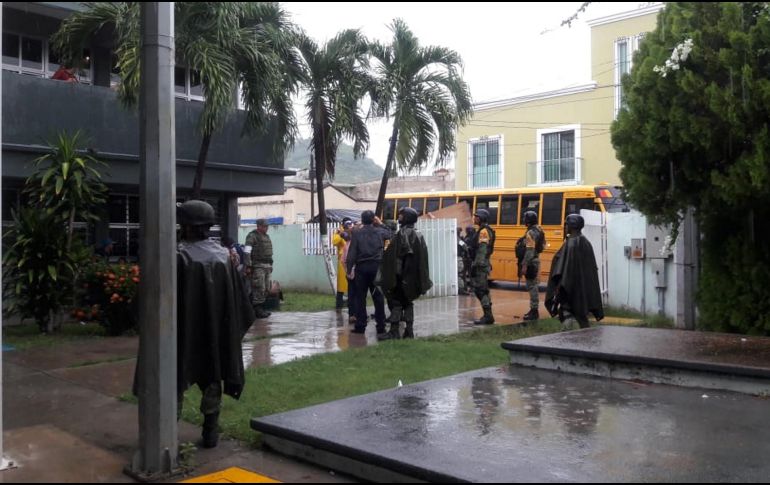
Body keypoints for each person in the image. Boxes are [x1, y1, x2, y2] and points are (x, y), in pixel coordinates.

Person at [175, 200, 255, 448]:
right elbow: (241, 303)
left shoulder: (175, 254)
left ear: (186, 226)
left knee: (174, 380)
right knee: (212, 378)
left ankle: (166, 436)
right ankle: (210, 432)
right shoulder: (223, 256)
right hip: (214, 333)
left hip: (181, 334)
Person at [379, 207, 432, 340]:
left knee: (397, 303)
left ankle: (394, 331)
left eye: (401, 215)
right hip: (412, 277)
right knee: (408, 303)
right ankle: (409, 331)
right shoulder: (418, 234)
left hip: (402, 277)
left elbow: (400, 257)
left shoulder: (403, 234)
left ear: (407, 217)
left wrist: (397, 276)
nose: (399, 217)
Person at [545, 213, 604, 330]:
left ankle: (568, 339)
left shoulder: (571, 244)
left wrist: (559, 286)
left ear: (571, 226)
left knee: (569, 314)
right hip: (581, 288)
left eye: (567, 225)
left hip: (570, 288)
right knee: (581, 316)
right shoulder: (585, 242)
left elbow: (564, 269)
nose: (566, 227)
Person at [346, 210, 391, 334]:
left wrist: (349, 269)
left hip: (362, 268)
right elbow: (390, 233)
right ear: (373, 220)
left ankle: (360, 326)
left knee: (360, 298)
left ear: (362, 219)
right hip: (376, 268)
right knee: (378, 297)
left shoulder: (356, 233)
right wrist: (380, 223)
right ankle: (381, 326)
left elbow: (352, 252)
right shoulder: (380, 231)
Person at [469, 209, 496, 325]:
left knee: (481, 290)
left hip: (480, 264)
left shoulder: (484, 231)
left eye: (476, 216)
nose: (474, 218)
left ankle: (488, 316)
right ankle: (488, 315)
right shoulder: (482, 230)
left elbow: (482, 249)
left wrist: (476, 265)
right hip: (482, 263)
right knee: (483, 289)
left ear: (480, 218)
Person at [519, 210, 545, 322]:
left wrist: (524, 265)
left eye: (525, 219)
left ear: (528, 221)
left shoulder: (530, 233)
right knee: (533, 286)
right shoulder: (539, 230)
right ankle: (533, 310)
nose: (524, 221)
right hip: (536, 260)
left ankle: (534, 311)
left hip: (531, 262)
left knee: (532, 287)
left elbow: (529, 250)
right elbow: (543, 246)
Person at [245, 219, 273, 319]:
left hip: (267, 266)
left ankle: (261, 308)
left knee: (266, 288)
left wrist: (270, 264)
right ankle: (257, 309)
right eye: (265, 226)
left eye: (267, 226)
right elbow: (247, 252)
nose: (267, 228)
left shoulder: (266, 236)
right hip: (257, 266)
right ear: (259, 226)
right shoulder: (252, 236)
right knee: (259, 287)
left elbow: (268, 252)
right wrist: (248, 266)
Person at [332, 218, 354, 309]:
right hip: (342, 262)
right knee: (341, 287)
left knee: (352, 285)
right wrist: (340, 233)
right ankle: (339, 306)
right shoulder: (339, 233)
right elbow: (334, 242)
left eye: (350, 223)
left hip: (353, 261)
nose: (349, 225)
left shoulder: (353, 232)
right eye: (347, 224)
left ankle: (351, 305)